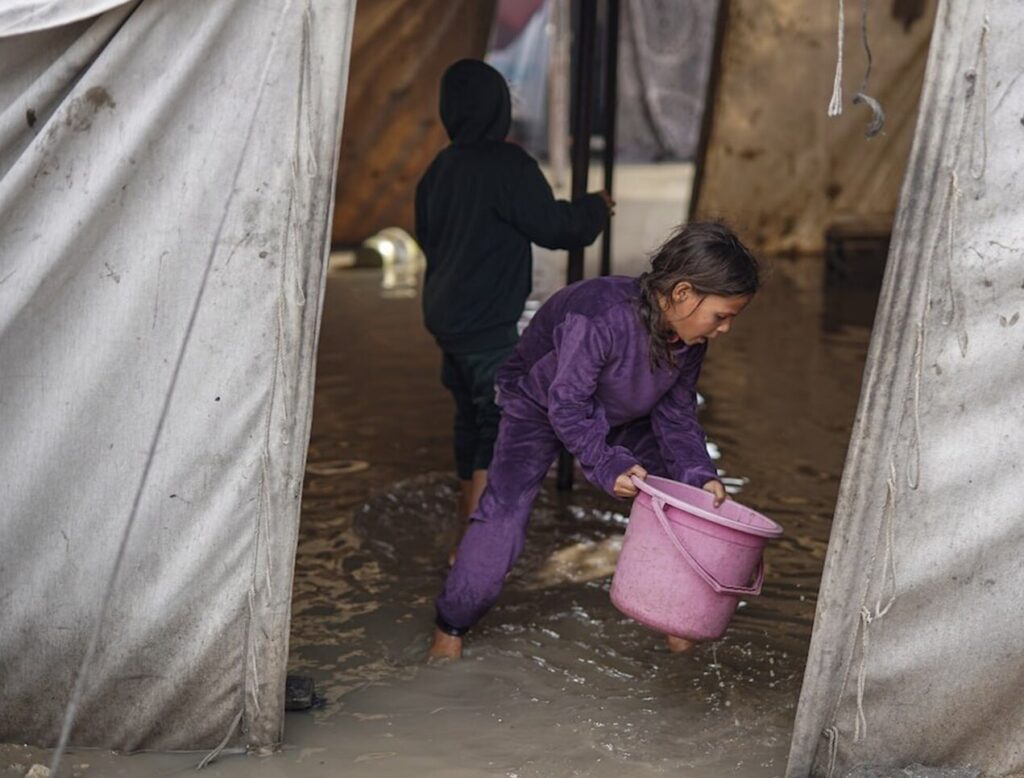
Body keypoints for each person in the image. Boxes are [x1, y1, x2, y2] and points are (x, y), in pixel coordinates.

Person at [429, 221, 761, 659]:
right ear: (682, 292)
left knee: (682, 501)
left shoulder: (688, 340)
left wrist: (699, 475)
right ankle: (450, 628)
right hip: (539, 405)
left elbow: (677, 416)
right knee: (504, 514)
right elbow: (566, 407)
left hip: (619, 411)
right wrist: (606, 463)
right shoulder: (599, 315)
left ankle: (678, 616)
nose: (724, 330)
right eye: (721, 316)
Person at [415, 59, 611, 555]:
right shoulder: (508, 166)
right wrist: (594, 208)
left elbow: (427, 234)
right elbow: (557, 229)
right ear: (500, 108)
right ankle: (478, 541)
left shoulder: (440, 169)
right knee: (498, 419)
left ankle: (466, 520)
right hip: (484, 323)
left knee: (470, 414)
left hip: (445, 318)